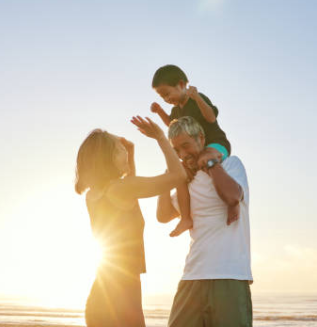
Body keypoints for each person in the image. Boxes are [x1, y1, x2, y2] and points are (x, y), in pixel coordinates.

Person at [75, 116, 186, 327]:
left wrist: (130, 155)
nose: (125, 151)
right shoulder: (122, 189)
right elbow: (178, 175)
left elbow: (129, 195)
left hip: (102, 292)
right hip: (123, 293)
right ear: (106, 158)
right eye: (119, 150)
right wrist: (161, 137)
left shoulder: (95, 194)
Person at [157, 116, 253, 327]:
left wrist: (210, 164)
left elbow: (232, 196)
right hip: (192, 277)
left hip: (230, 276)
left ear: (201, 138)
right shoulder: (187, 182)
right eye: (176, 150)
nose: (182, 154)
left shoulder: (231, 164)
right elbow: (163, 215)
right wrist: (169, 176)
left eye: (185, 146)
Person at [150, 64, 232, 236]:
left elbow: (211, 117)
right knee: (179, 174)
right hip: (195, 154)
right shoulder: (176, 110)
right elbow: (172, 126)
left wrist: (197, 97)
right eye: (162, 96)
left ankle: (232, 204)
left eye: (167, 93)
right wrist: (159, 112)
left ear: (181, 84)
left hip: (215, 145)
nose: (166, 98)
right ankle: (185, 218)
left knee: (205, 159)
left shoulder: (196, 99)